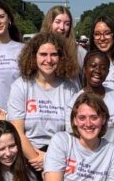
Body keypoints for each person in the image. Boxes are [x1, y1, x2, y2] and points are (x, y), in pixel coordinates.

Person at [8, 32, 80, 171]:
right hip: (28, 157)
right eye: (43, 54)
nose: (49, 60)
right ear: (34, 56)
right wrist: (36, 158)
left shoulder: (70, 88)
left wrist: (49, 159)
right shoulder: (20, 86)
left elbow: (72, 133)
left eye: (54, 54)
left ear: (61, 57)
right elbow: (17, 131)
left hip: (60, 157)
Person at [70, 50, 114, 146]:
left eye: (103, 68)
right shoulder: (73, 101)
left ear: (107, 72)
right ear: (84, 69)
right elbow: (72, 137)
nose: (98, 71)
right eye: (93, 66)